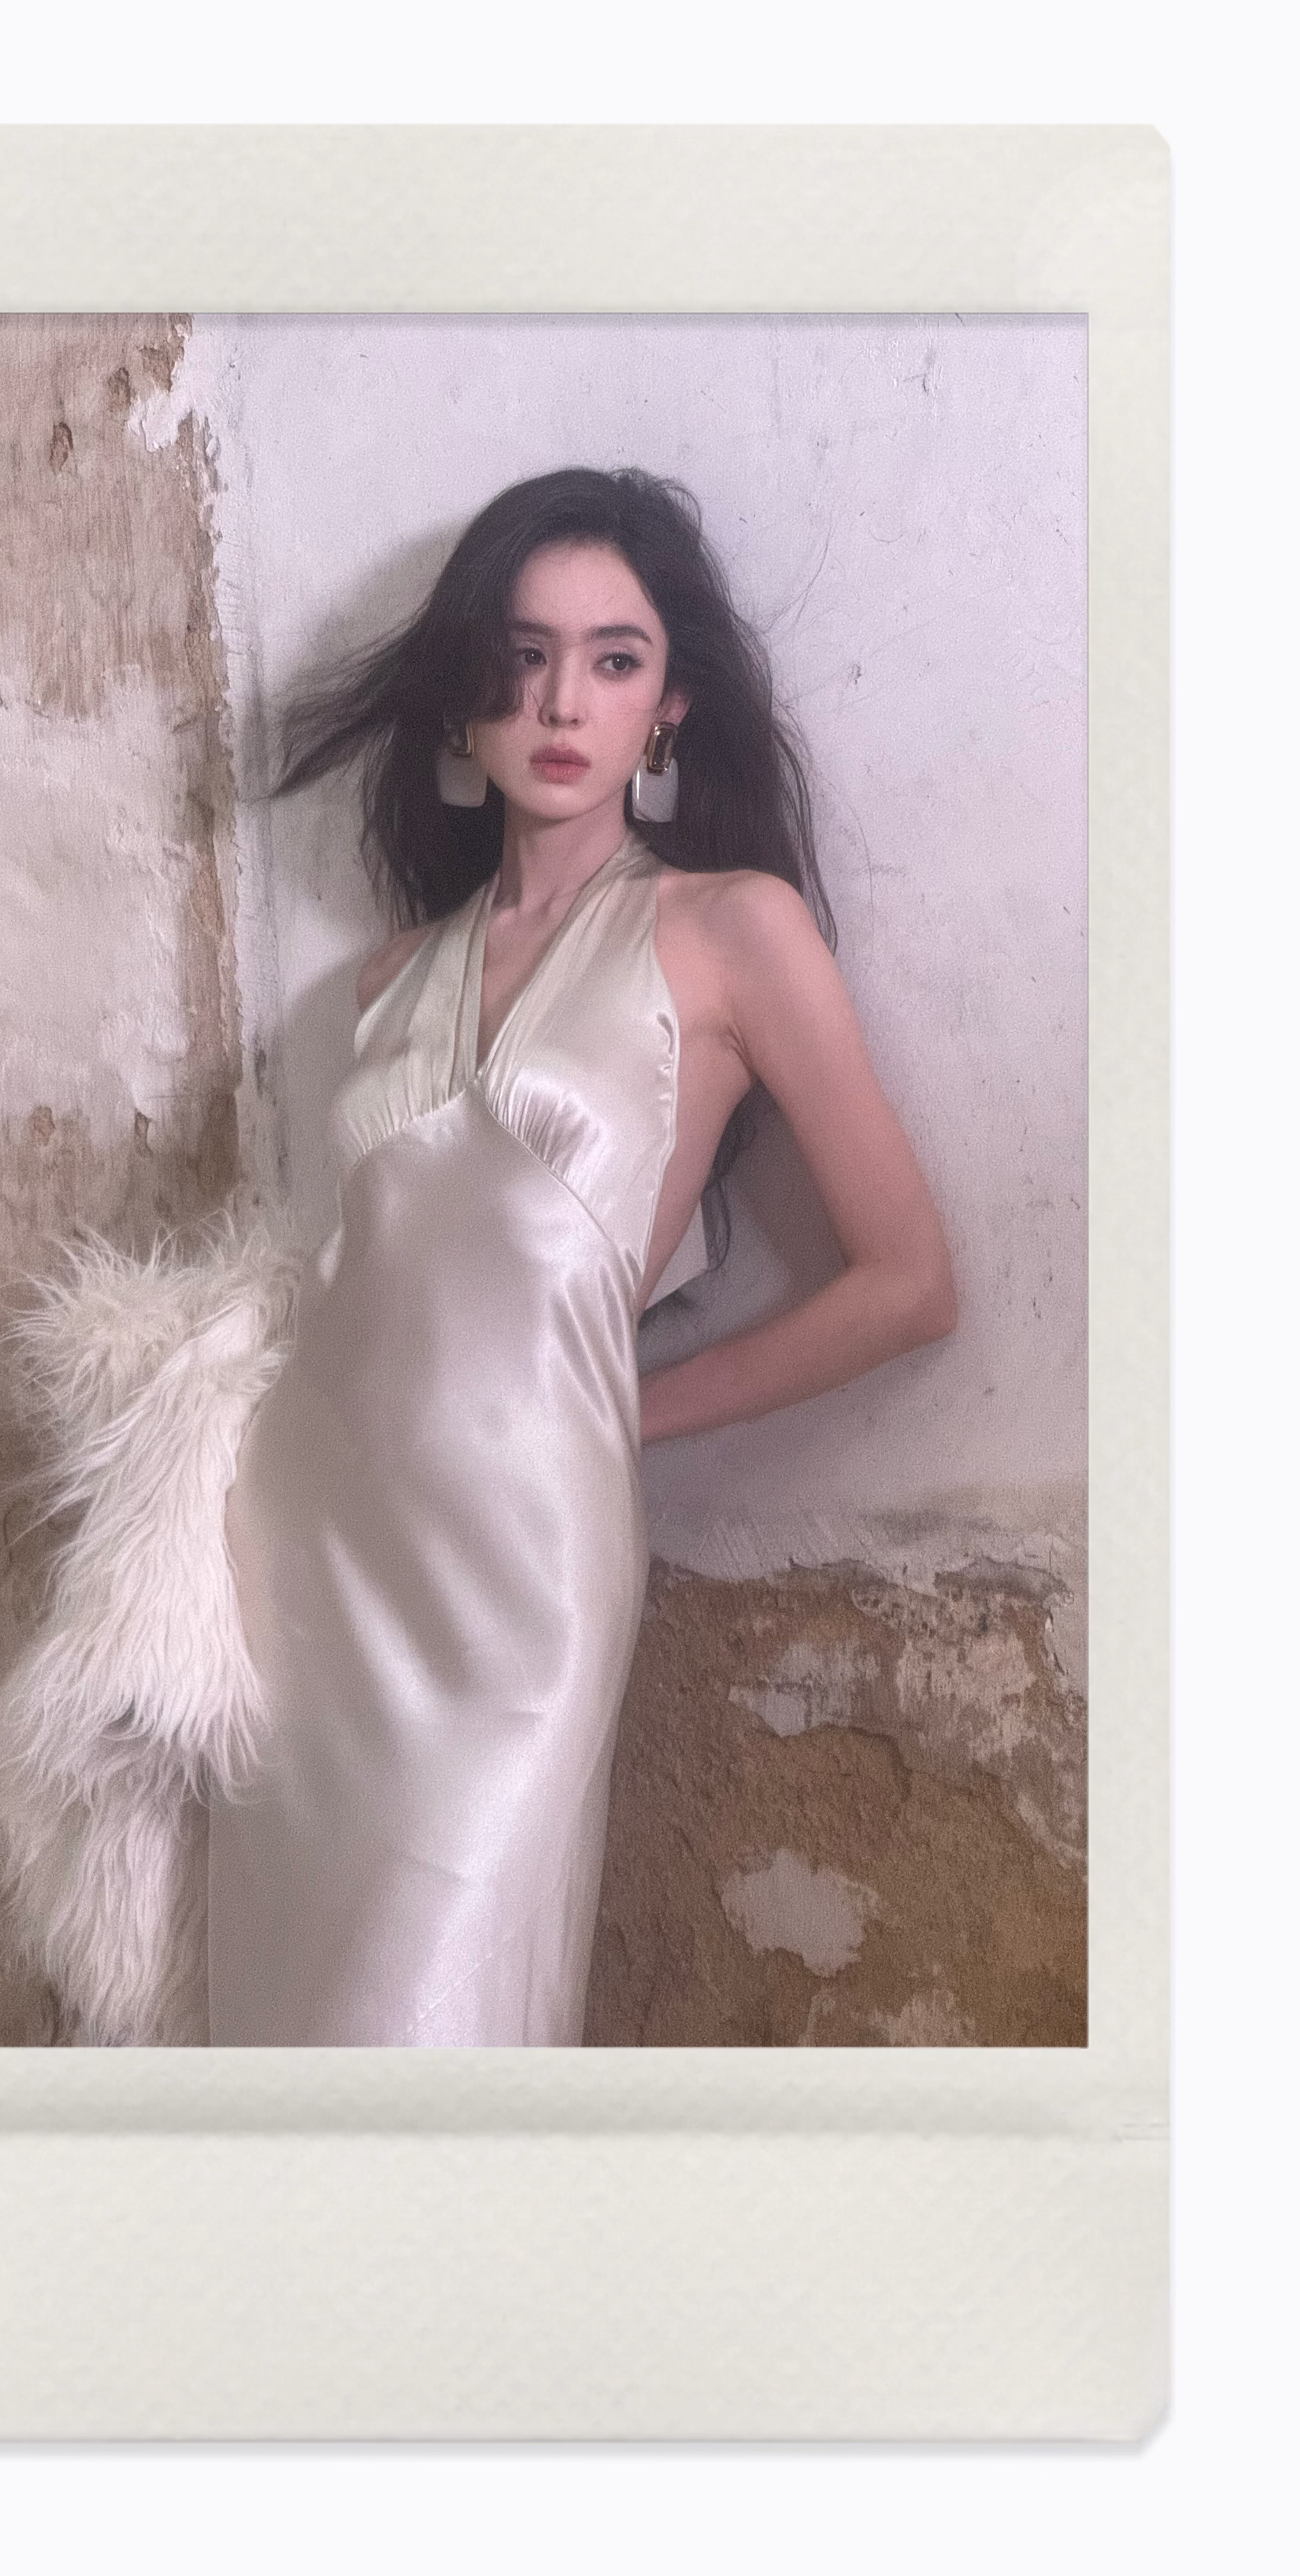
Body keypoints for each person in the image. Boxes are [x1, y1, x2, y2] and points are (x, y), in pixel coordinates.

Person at [201, 467, 956, 2046]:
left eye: (615, 660)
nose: (562, 702)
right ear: (462, 696)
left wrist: (622, 1416)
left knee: (439, 2020)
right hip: (306, 1552)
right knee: (280, 2020)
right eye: (522, 656)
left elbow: (909, 1284)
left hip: (526, 1574)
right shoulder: (381, 986)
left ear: (669, 707)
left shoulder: (737, 931)